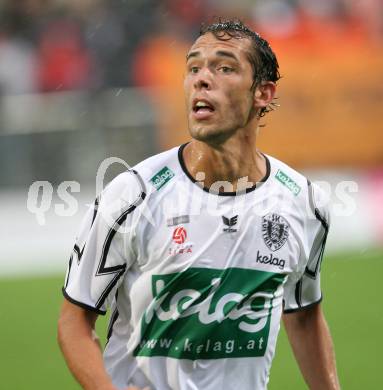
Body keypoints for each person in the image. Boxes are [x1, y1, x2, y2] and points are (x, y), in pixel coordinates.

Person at [58, 19, 340, 390]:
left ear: (263, 93)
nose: (201, 79)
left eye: (224, 67)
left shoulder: (304, 203)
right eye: (193, 68)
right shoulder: (135, 195)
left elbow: (303, 314)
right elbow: (74, 322)